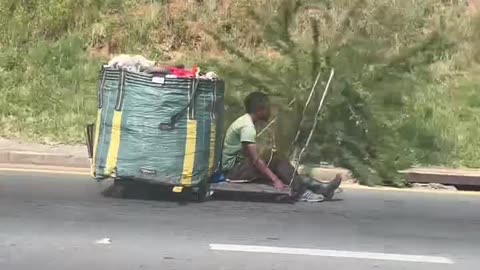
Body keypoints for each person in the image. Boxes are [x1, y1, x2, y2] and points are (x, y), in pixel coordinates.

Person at [222, 91, 342, 202]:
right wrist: (275, 180)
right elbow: (256, 160)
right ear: (260, 110)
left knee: (279, 164)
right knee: (276, 159)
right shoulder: (247, 127)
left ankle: (320, 188)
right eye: (268, 108)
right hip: (234, 172)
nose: (269, 111)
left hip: (240, 168)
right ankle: (302, 192)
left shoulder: (245, 122)